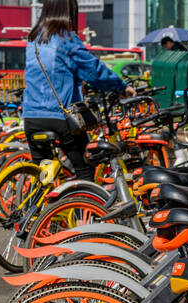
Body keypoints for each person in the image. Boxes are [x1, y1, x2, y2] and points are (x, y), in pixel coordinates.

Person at [22, 0, 124, 181]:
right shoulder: (66, 39)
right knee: (85, 169)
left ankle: (37, 206)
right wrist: (122, 86)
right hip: (60, 119)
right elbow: (94, 71)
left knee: (43, 175)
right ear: (70, 11)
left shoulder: (33, 40)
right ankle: (83, 208)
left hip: (31, 117)